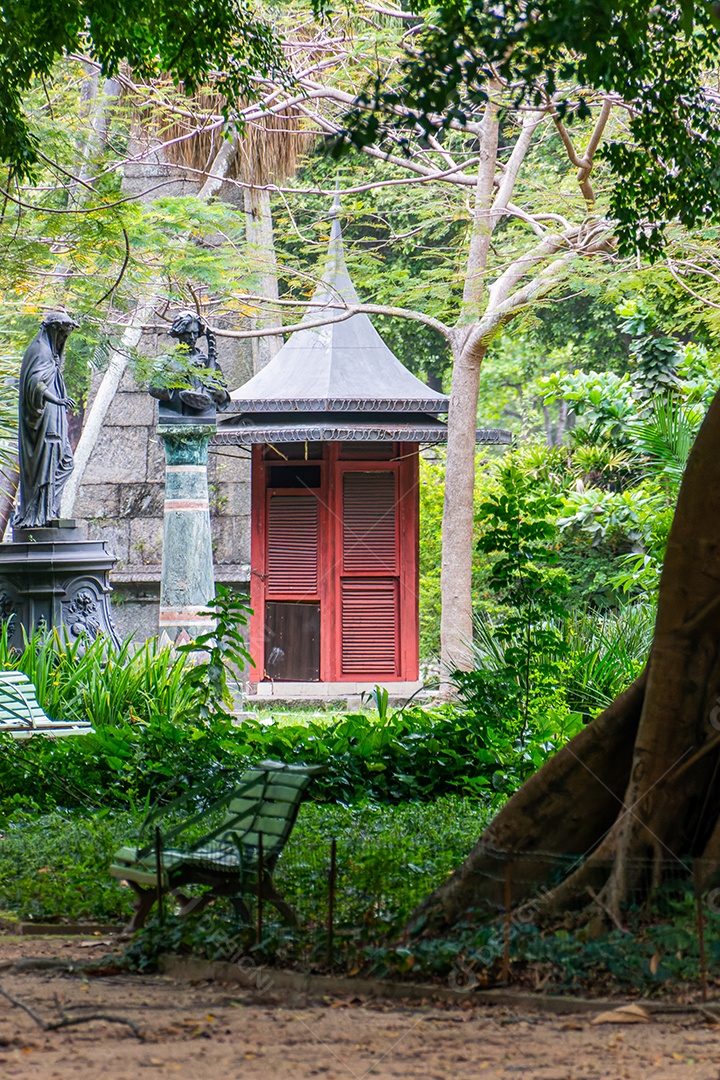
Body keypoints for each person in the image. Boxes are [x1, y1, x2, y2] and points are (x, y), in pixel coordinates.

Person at [14, 311, 77, 530]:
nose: (63, 339)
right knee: (50, 461)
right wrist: (57, 400)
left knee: (65, 463)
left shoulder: (51, 352)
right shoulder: (40, 350)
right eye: (61, 334)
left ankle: (49, 509)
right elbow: (36, 385)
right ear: (52, 330)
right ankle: (38, 513)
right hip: (44, 420)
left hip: (55, 418)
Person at [149, 311, 229, 415]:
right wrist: (184, 369)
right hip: (173, 415)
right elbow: (154, 389)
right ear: (179, 332)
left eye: (195, 333)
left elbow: (224, 398)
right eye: (187, 333)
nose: (192, 337)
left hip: (203, 417)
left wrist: (218, 393)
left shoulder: (208, 362)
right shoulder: (164, 361)